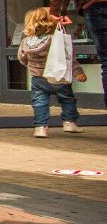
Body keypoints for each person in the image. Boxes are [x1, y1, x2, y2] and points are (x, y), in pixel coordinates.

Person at [18, 7, 86, 138]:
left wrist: (31, 65)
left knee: (39, 103)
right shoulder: (55, 40)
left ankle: (40, 127)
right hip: (57, 76)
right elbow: (67, 57)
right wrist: (78, 72)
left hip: (37, 79)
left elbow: (22, 57)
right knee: (67, 100)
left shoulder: (26, 41)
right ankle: (69, 122)